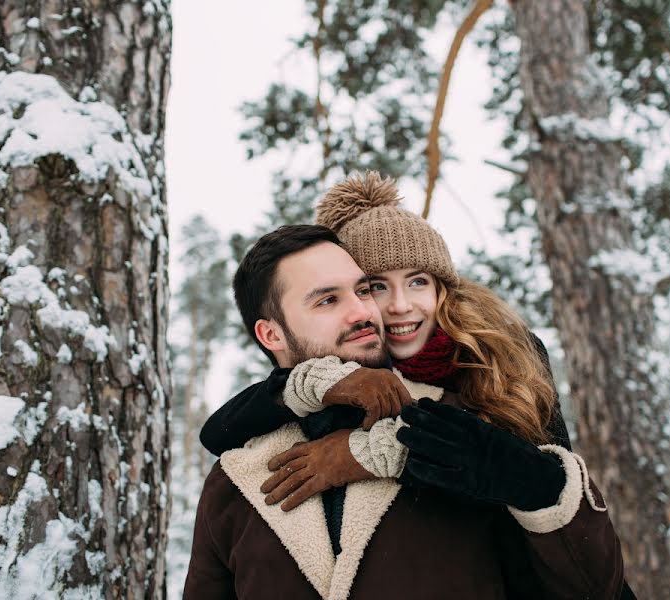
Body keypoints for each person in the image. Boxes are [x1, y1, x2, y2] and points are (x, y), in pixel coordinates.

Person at [191, 174, 630, 599]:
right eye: (374, 287)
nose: (392, 307)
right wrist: (311, 384)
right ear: (271, 335)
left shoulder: (500, 373)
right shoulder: (237, 479)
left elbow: (575, 567)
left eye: (417, 281)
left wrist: (383, 449)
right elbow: (220, 428)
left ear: (444, 291)